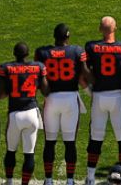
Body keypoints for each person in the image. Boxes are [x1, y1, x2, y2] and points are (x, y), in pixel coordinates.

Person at [35, 25, 89, 185]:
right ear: (68, 37)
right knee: (70, 142)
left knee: (50, 142)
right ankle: (70, 180)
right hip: (70, 99)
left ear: (54, 36)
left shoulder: (42, 52)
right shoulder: (76, 51)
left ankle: (49, 179)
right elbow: (83, 75)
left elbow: (40, 78)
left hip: (51, 100)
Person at [83, 18, 121, 185]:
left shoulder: (91, 47)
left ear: (100, 29)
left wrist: (91, 87)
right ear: (115, 28)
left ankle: (90, 178)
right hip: (117, 96)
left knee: (96, 138)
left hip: (99, 97)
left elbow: (87, 72)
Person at [0, 42, 47, 185]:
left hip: (15, 114)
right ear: (27, 54)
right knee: (29, 153)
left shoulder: (7, 68)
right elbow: (45, 90)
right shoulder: (38, 67)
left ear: (14, 53)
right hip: (32, 113)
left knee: (11, 151)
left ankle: (10, 181)